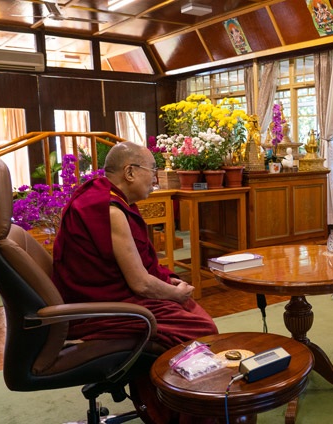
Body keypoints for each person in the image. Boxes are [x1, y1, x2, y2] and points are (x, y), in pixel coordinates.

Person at [52, 141, 219, 422]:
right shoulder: (110, 210)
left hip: (106, 295)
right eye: (152, 170)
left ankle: (158, 404)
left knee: (187, 310)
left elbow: (140, 266)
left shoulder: (104, 197)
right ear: (130, 172)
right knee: (201, 327)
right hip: (103, 308)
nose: (155, 180)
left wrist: (170, 284)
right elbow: (141, 284)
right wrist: (174, 294)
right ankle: (180, 413)